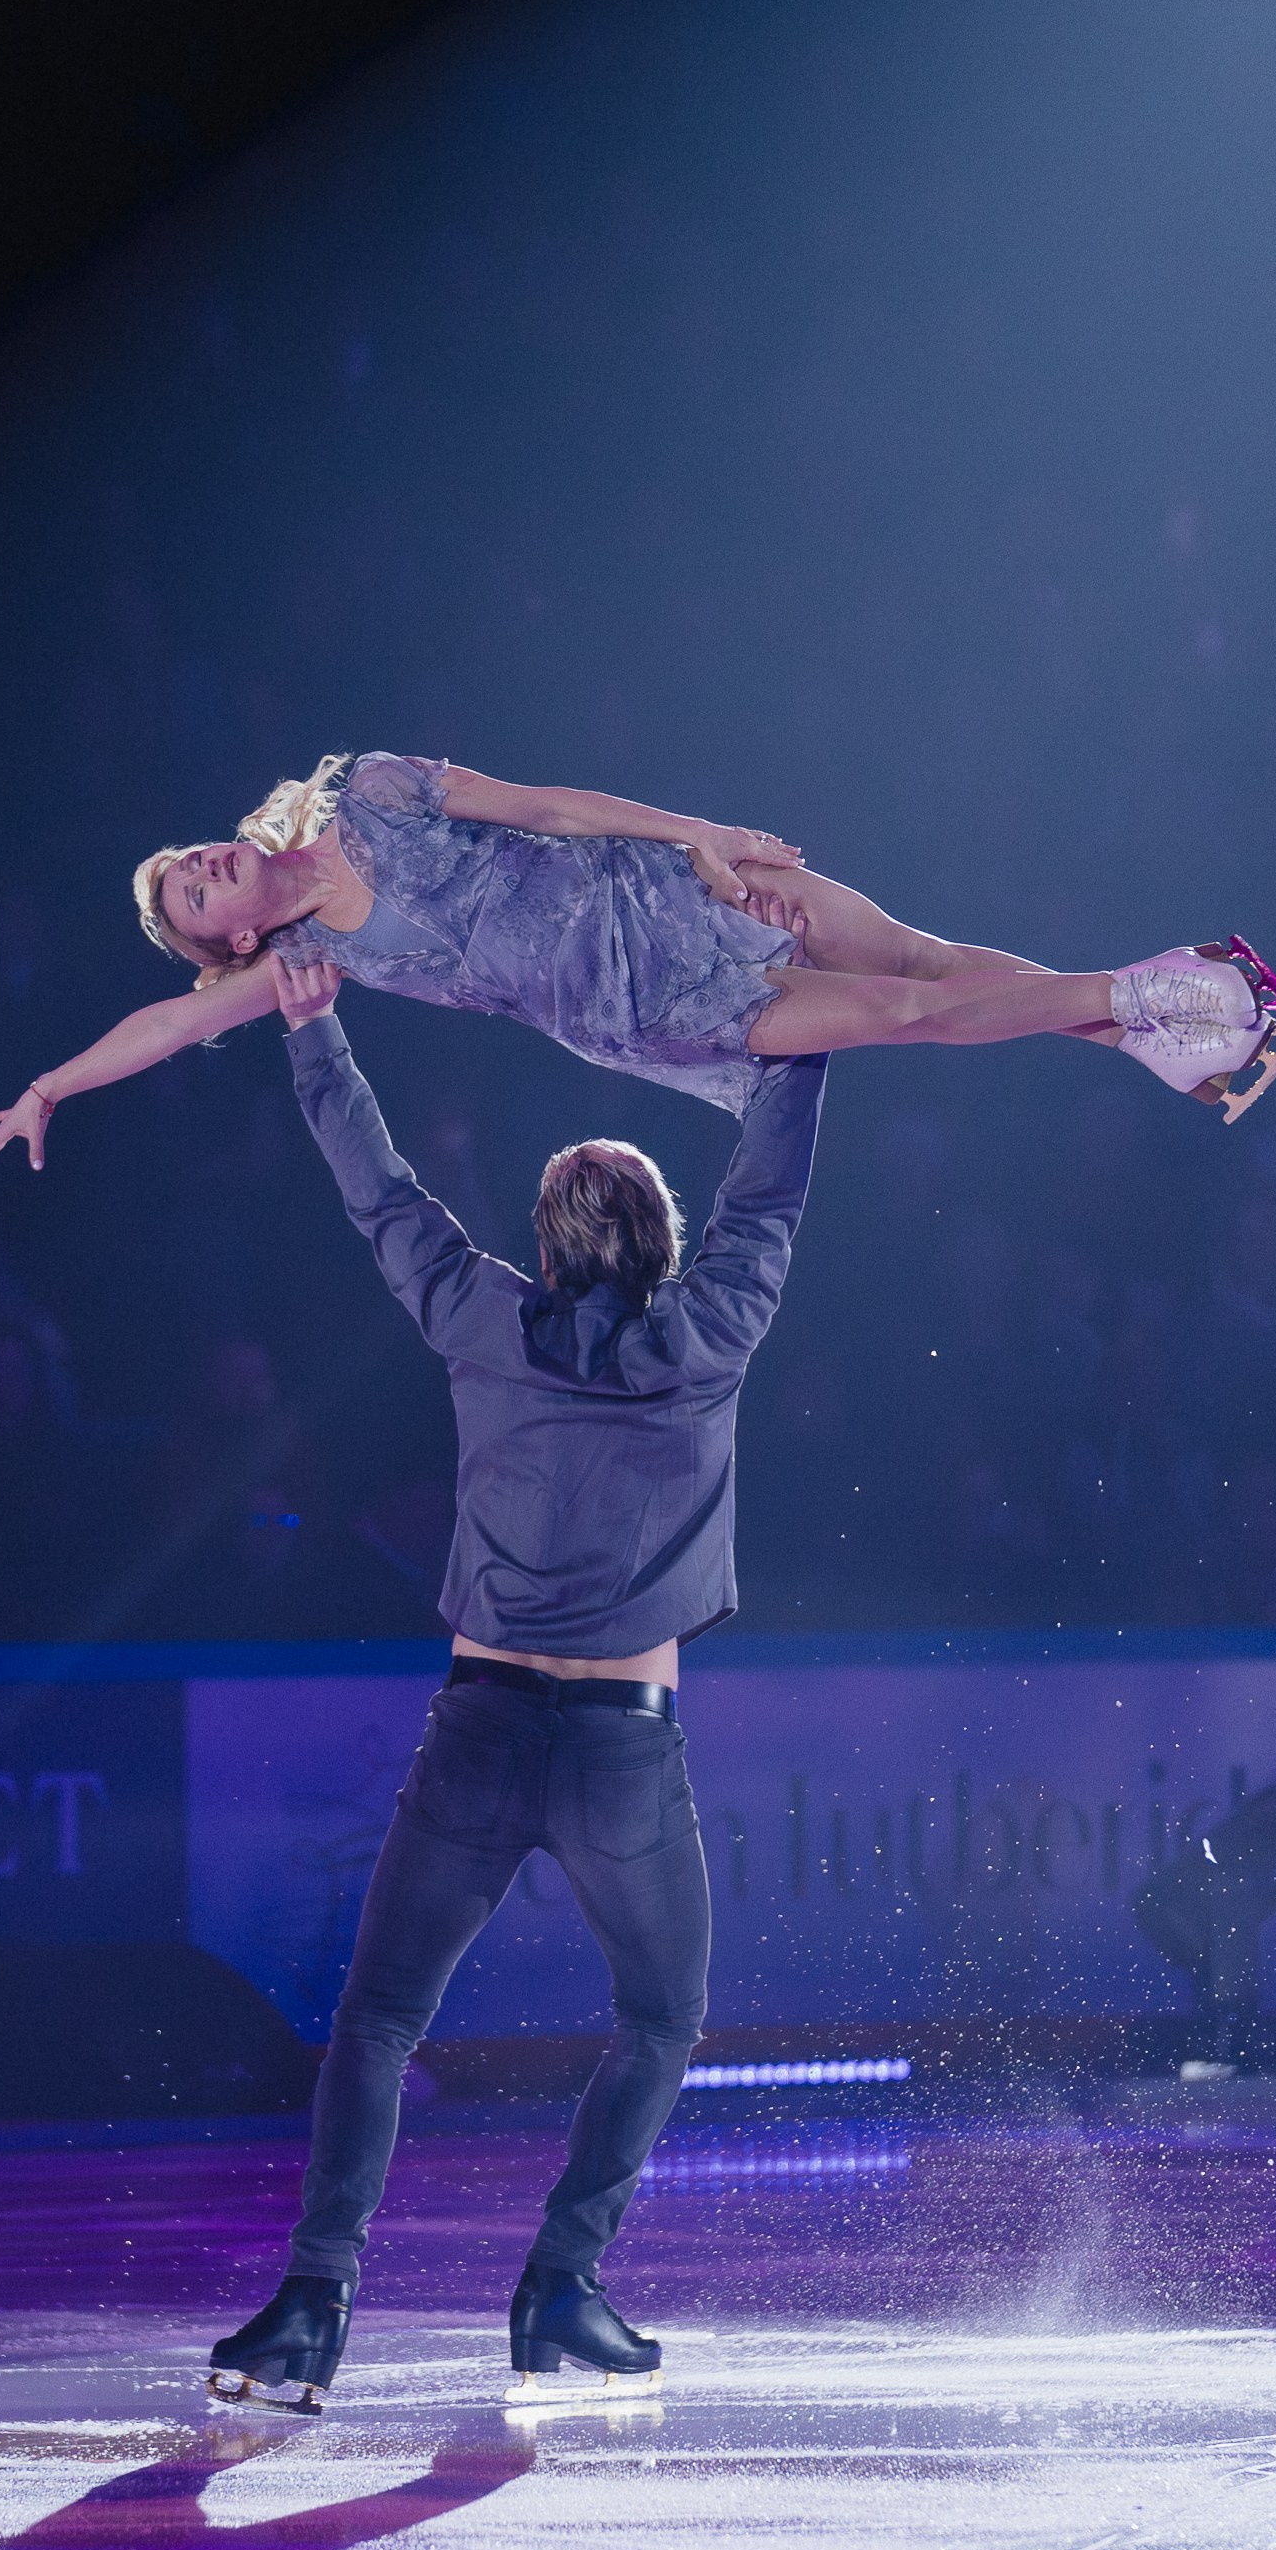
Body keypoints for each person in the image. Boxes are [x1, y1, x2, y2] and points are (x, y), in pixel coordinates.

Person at [208, 945, 827, 2412]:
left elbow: (381, 1194)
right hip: (619, 1750)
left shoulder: (483, 1320)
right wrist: (802, 1043)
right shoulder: (709, 1332)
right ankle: (561, 2285)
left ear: (544, 1251)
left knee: (379, 2020)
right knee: (660, 2017)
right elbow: (768, 1200)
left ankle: (311, 2306)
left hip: (481, 1734)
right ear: (663, 1248)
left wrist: (315, 1034)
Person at [0, 752, 1276, 1176]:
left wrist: (700, 836)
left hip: (667, 891)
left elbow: (547, 806)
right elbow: (169, 1028)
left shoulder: (366, 786)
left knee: (926, 954)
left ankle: (1167, 1035)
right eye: (194, 897)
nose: (204, 867)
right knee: (905, 1010)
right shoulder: (308, 957)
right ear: (233, 939)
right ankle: (1147, 998)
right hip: (643, 1002)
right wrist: (47, 1088)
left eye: (191, 861)